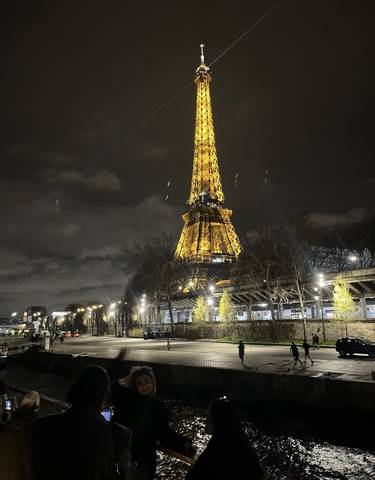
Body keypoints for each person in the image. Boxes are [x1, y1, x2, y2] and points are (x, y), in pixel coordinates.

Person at [31, 366, 132, 480]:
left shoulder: (42, 426)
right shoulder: (120, 435)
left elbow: (35, 470)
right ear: (104, 396)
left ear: (75, 389)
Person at [111, 355, 194, 480]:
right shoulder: (128, 401)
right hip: (129, 457)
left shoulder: (157, 406)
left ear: (153, 382)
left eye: (146, 381)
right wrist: (117, 363)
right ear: (135, 387)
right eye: (139, 383)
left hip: (142, 458)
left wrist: (183, 443)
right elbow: (115, 390)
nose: (144, 385)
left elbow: (163, 433)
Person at [185, 398, 263, 480]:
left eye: (209, 416)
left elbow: (192, 476)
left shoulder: (218, 447)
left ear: (216, 420)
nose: (206, 420)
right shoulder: (240, 441)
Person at [0, 391, 40, 480]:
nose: (28, 398)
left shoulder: (11, 418)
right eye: (28, 396)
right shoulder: (34, 424)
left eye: (32, 398)